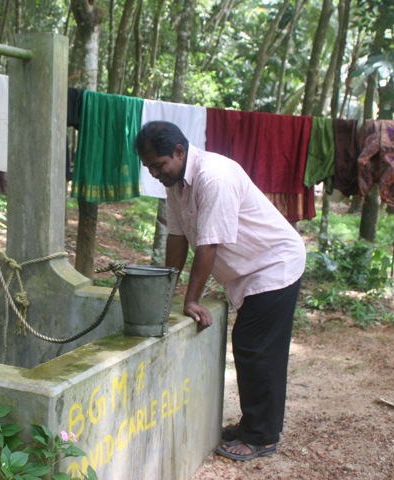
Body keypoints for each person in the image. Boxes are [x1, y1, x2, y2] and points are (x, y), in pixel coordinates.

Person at [134, 121, 306, 461]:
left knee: (257, 348)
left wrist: (191, 299)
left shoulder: (214, 177)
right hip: (250, 271)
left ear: (179, 151)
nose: (154, 173)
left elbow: (208, 245)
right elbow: (178, 238)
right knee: (251, 347)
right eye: (149, 167)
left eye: (158, 165)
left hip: (274, 265)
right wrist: (165, 292)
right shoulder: (175, 182)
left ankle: (262, 436)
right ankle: (252, 424)